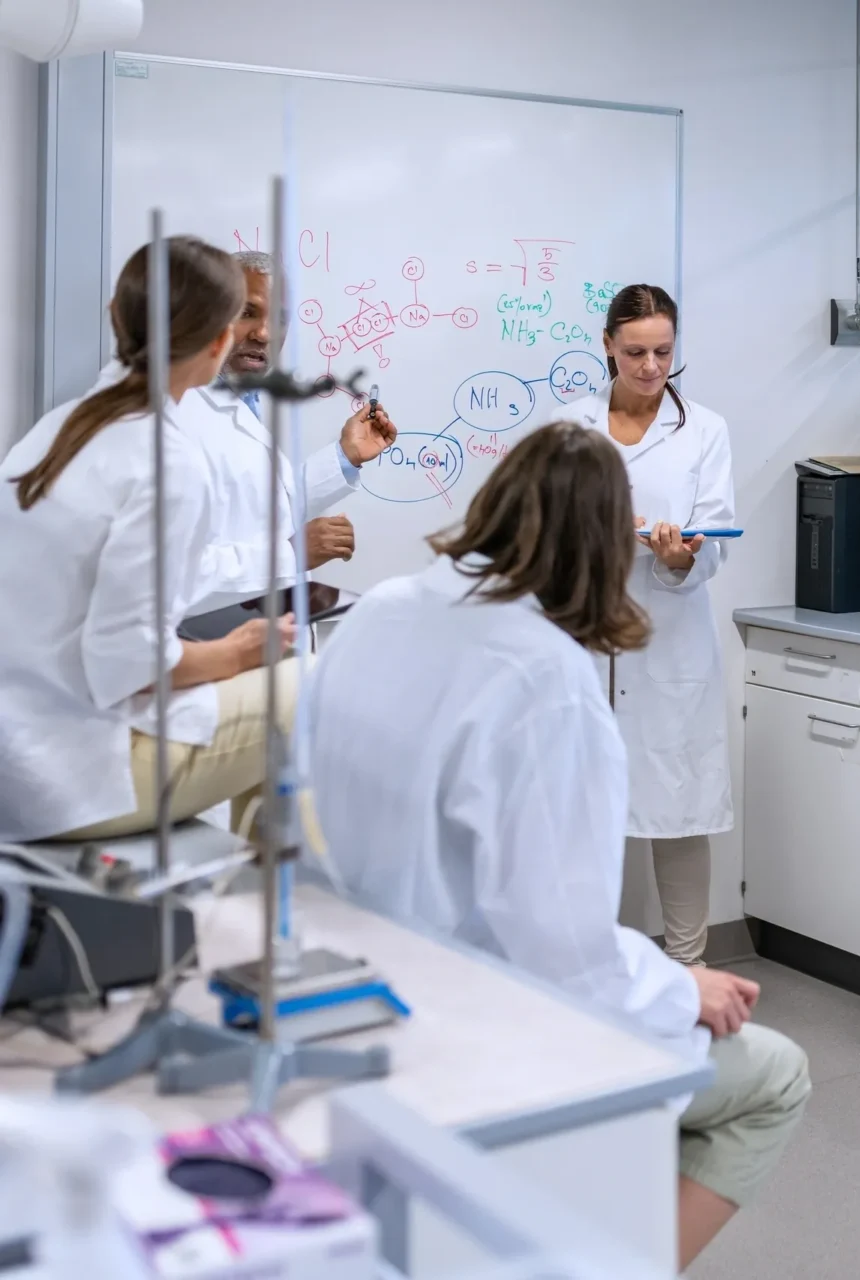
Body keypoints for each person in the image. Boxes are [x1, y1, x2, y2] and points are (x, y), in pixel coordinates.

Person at [306, 422, 808, 1269]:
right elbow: (561, 951)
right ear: (604, 547)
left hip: (359, 976)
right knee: (775, 1077)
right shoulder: (544, 679)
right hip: (475, 1015)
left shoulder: (383, 610)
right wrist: (684, 986)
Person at [0, 237, 293, 843]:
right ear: (219, 341)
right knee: (312, 684)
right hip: (73, 781)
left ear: (118, 315)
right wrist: (238, 652)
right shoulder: (168, 457)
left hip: (17, 750)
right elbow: (127, 666)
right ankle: (278, 915)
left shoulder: (63, 428)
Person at [535, 284, 734, 965]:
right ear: (607, 345)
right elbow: (542, 530)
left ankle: (688, 969)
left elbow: (718, 536)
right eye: (635, 353)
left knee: (678, 811)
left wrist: (679, 559)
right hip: (586, 636)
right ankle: (587, 963)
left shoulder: (705, 429)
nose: (651, 368)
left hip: (669, 638)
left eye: (663, 352)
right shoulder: (569, 428)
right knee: (583, 812)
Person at [185, 250, 397, 615]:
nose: (265, 334)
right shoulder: (179, 414)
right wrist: (291, 554)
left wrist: (344, 457)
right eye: (247, 313)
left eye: (279, 319)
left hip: (251, 631)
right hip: (203, 642)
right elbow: (172, 575)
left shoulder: (242, 398)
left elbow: (260, 510)